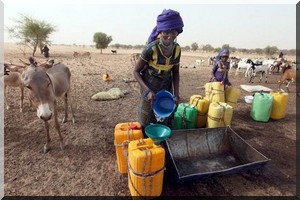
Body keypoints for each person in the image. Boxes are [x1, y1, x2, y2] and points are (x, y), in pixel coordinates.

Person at [133, 9, 184, 131]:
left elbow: (175, 73)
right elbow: (136, 72)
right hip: (149, 85)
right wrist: (148, 91)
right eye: (166, 32)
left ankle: (161, 140)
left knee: (166, 114)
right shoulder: (151, 49)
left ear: (178, 32)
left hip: (166, 86)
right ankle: (146, 139)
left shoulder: (177, 49)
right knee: (146, 117)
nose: (170, 35)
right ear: (160, 31)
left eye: (173, 32)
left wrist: (176, 94)